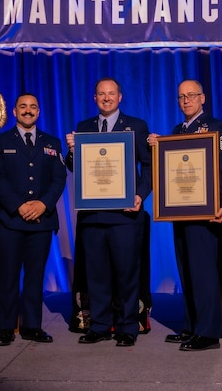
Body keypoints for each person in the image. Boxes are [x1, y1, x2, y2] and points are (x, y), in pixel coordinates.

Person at [148, 79, 222, 351]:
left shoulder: (217, 128)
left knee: (203, 273)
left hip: (205, 212)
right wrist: (160, 146)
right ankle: (192, 326)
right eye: (181, 97)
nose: (186, 100)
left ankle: (208, 333)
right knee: (186, 271)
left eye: (191, 95)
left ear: (202, 98)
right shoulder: (177, 130)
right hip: (181, 210)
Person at [65, 77, 152, 347]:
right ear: (94, 98)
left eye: (111, 93)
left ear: (120, 97)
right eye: (101, 94)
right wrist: (70, 151)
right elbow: (74, 168)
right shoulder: (84, 128)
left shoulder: (136, 126)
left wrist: (139, 195)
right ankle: (100, 325)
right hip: (92, 216)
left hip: (125, 216)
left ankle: (127, 326)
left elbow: (149, 167)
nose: (106, 98)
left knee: (127, 274)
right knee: (96, 274)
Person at [0, 93, 67, 346]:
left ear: (39, 112)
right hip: (9, 220)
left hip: (41, 220)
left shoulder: (52, 142)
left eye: (33, 106)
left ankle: (32, 326)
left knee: (35, 276)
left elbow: (59, 178)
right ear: (15, 112)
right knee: (7, 277)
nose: (28, 111)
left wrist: (42, 204)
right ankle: (5, 328)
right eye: (23, 107)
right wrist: (19, 206)